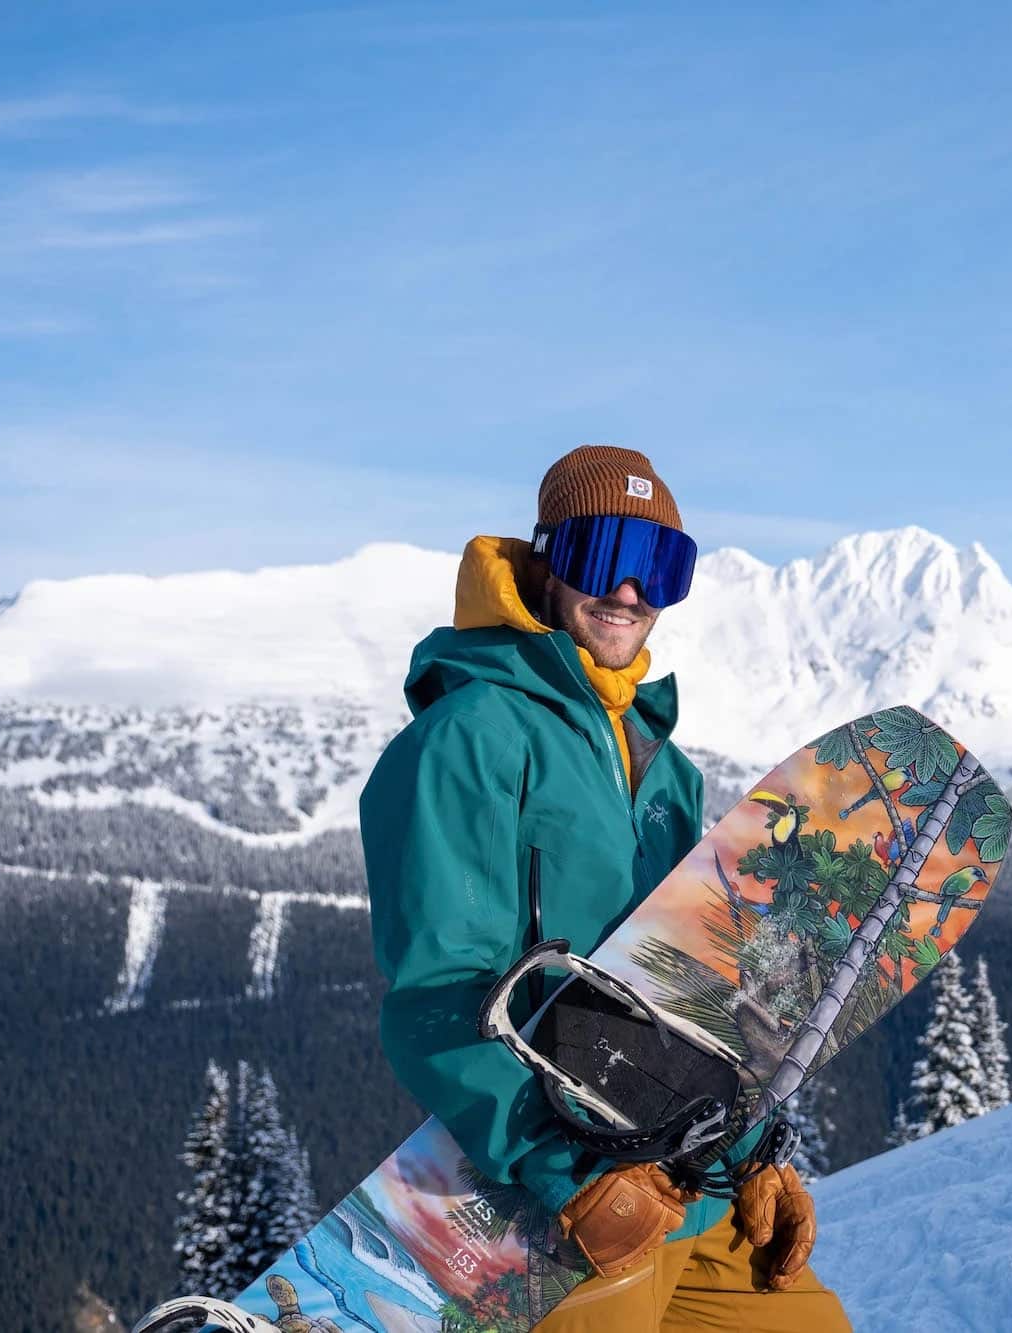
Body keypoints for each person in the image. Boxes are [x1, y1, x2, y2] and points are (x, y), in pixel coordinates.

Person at [360, 445, 851, 1330]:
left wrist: (753, 1156)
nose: (630, 591)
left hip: (686, 1187)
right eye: (603, 557)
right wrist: (567, 1170)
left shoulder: (666, 771)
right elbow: (438, 992)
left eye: (659, 564)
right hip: (560, 1203)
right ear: (546, 558)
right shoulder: (467, 739)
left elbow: (691, 989)